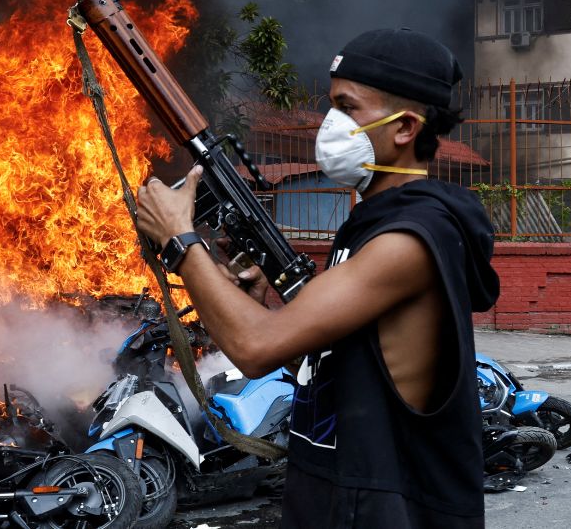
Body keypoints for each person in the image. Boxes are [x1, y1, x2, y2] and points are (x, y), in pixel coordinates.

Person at [136, 28, 499, 527]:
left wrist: (180, 240)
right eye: (332, 105)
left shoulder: (411, 238)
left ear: (404, 128)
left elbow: (256, 348)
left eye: (348, 107)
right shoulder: (372, 222)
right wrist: (264, 304)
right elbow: (338, 361)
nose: (330, 124)